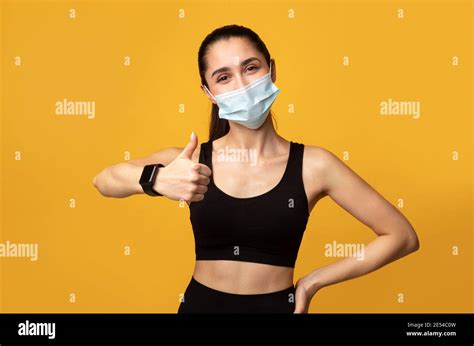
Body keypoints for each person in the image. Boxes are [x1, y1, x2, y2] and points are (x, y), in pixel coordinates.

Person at [92, 24, 420, 313]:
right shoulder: (189, 162)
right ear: (208, 92)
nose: (241, 84)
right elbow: (104, 180)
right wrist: (157, 179)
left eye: (250, 68)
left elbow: (401, 236)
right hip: (199, 309)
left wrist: (312, 283)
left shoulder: (315, 165)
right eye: (223, 77)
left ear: (271, 71)